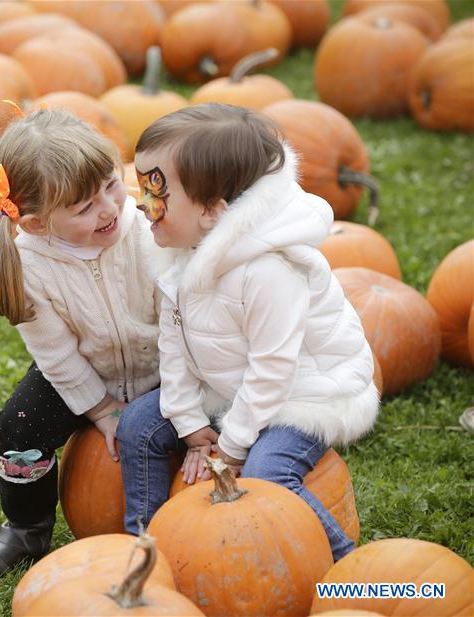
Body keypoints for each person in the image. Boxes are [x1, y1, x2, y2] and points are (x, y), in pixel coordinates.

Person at [116, 104, 379, 561]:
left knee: (268, 472)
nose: (143, 203)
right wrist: (190, 423)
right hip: (231, 386)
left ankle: (344, 564)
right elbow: (174, 341)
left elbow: (273, 370)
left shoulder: (269, 272)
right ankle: (145, 547)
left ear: (213, 212)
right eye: (142, 186)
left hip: (305, 394)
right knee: (138, 425)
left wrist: (233, 446)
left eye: (156, 189)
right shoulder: (183, 250)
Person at [0, 109, 173, 574]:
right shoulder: (27, 265)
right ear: (39, 224)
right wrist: (100, 410)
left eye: (110, 183)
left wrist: (180, 389)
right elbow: (56, 354)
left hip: (167, 366)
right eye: (83, 207)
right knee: (18, 429)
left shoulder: (148, 227)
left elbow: (183, 316)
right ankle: (27, 527)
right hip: (84, 370)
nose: (108, 207)